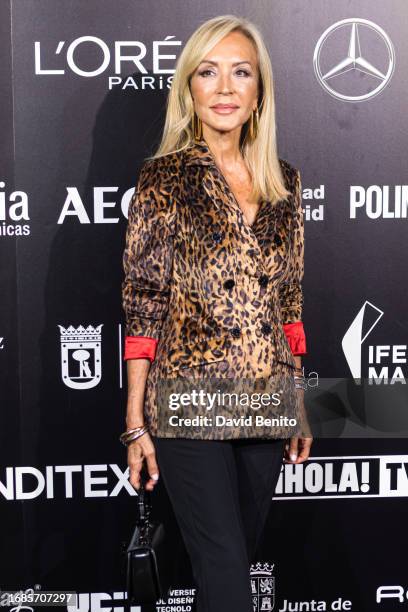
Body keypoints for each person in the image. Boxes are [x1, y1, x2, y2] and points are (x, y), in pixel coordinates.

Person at [121, 14, 313, 612]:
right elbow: (142, 303)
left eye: (241, 73)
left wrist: (300, 401)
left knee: (233, 563)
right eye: (209, 72)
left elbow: (290, 302)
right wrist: (135, 421)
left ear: (259, 93)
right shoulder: (163, 180)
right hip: (189, 401)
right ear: (191, 89)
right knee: (227, 571)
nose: (225, 87)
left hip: (266, 400)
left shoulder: (284, 182)